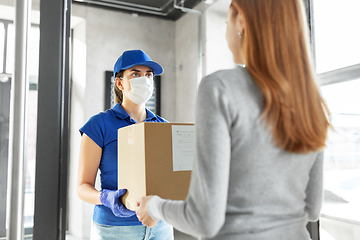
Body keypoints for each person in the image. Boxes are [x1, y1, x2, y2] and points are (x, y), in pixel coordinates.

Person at [136, 0, 330, 239]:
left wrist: (154, 206)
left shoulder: (220, 88)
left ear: (241, 21)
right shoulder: (312, 100)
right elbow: (312, 209)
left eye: (227, 21)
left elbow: (205, 220)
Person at [77, 49, 174, 240]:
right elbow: (82, 187)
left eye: (148, 75)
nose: (144, 80)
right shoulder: (99, 124)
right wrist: (106, 198)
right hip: (115, 229)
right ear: (120, 83)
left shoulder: (163, 126)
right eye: (135, 74)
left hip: (160, 226)